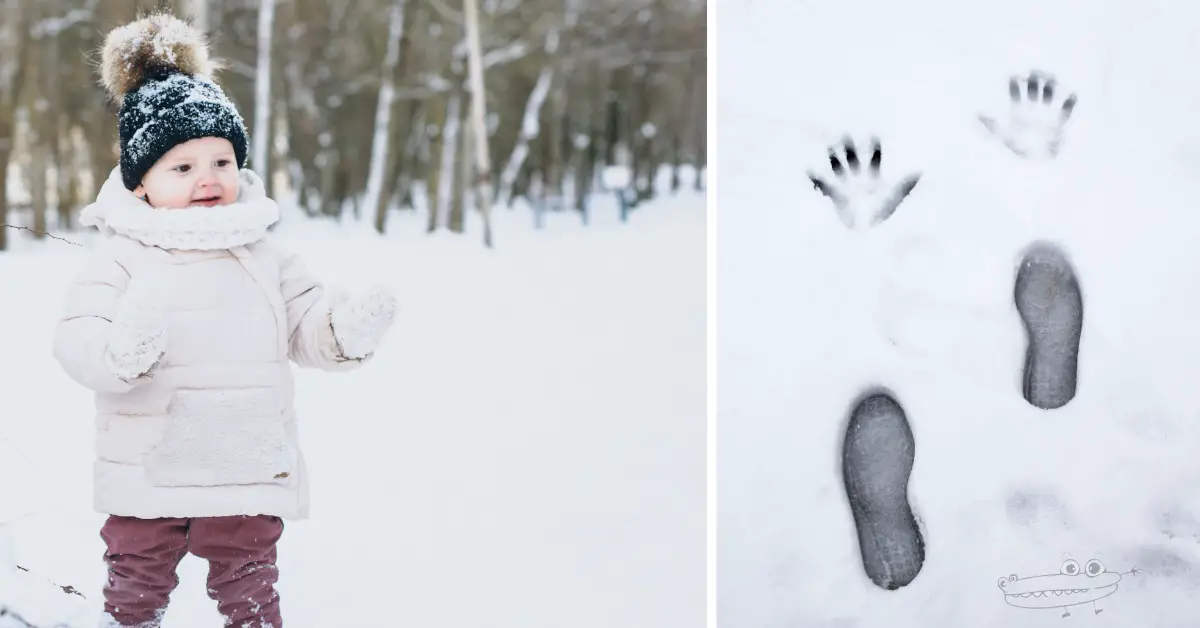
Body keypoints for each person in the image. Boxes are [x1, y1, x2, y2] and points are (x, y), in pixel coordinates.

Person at [51, 12, 397, 627]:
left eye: (221, 161)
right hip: (148, 465)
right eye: (182, 168)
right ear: (141, 185)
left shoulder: (265, 253)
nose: (207, 180)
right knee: (135, 581)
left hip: (242, 459)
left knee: (250, 588)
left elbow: (305, 326)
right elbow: (77, 337)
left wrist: (343, 331)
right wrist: (120, 350)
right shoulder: (124, 257)